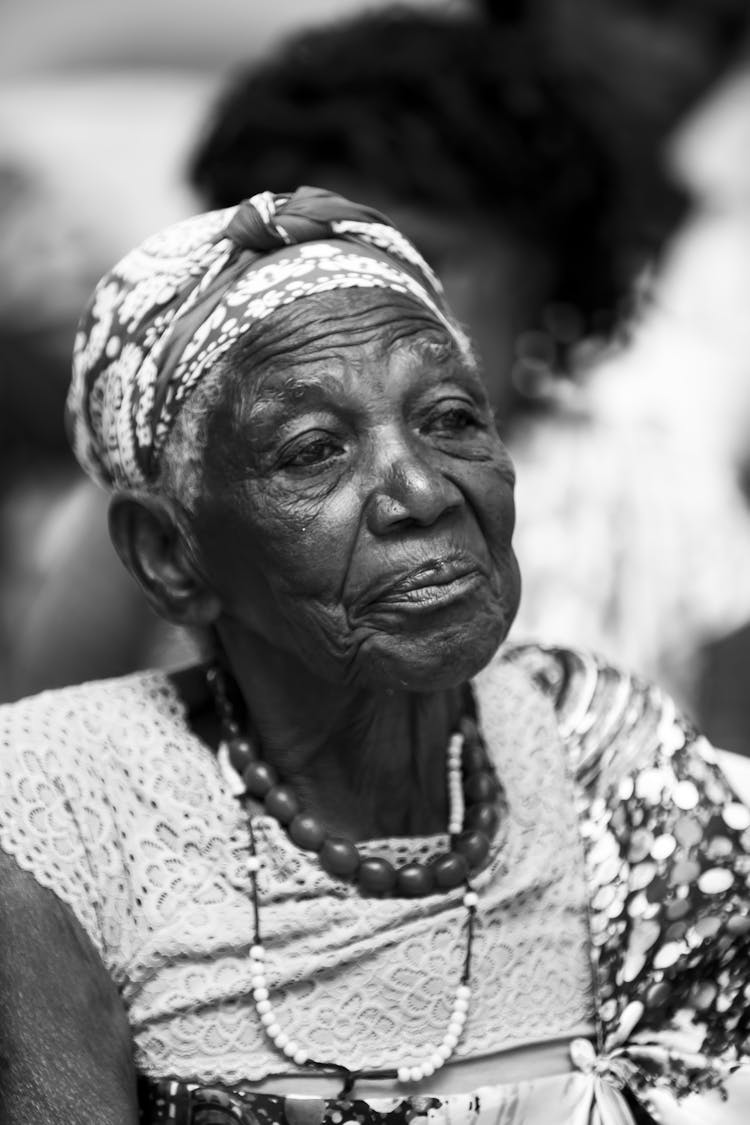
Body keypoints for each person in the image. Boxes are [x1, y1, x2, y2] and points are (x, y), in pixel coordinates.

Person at [1, 186, 749, 1125]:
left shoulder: (603, 745)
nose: (424, 490)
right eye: (314, 450)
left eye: (450, 419)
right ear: (170, 555)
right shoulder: (52, 805)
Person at [7, 7, 639, 700]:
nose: (363, 293)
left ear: (549, 277)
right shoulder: (182, 483)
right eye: (318, 259)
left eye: (427, 257)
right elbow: (44, 727)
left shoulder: (645, 492)